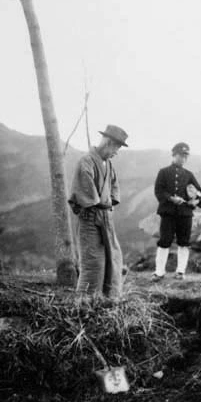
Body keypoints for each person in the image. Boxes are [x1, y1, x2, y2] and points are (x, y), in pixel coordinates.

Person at [68, 124, 128, 300]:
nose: (116, 152)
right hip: (90, 218)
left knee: (112, 260)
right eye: (116, 147)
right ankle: (85, 304)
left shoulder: (108, 164)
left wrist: (108, 203)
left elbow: (114, 189)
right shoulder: (86, 161)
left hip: (106, 219)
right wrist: (104, 202)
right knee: (93, 263)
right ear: (108, 143)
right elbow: (88, 195)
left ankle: (107, 302)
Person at [153, 141, 201, 281]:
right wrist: (170, 198)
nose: (183, 159)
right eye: (181, 155)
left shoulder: (189, 174)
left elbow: (200, 192)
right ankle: (159, 272)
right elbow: (158, 191)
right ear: (174, 155)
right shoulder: (163, 172)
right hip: (168, 213)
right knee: (164, 241)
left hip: (185, 214)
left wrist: (197, 201)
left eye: (185, 156)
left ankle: (180, 272)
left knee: (184, 242)